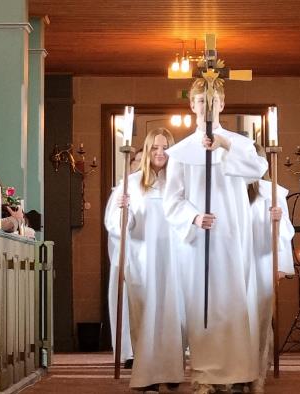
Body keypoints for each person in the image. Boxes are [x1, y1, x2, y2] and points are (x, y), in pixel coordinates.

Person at [163, 78, 268, 394]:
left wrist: (224, 145)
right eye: (199, 101)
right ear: (191, 105)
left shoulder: (239, 144)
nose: (206, 107)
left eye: (212, 101)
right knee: (203, 306)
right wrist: (194, 217)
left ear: (222, 104)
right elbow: (172, 199)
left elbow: (257, 169)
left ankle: (239, 373)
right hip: (200, 242)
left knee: (235, 302)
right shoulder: (180, 152)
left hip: (234, 237)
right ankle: (205, 376)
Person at [107, 128, 185, 393]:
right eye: (154, 148)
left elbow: (188, 219)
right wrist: (122, 208)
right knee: (143, 315)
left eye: (165, 147)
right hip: (142, 258)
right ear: (147, 150)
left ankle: (172, 369)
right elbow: (118, 227)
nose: (160, 153)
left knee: (173, 316)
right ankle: (147, 375)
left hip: (174, 260)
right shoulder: (131, 183)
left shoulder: (180, 182)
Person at [247, 143, 295, 393]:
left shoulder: (273, 192)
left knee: (261, 317)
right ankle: (238, 371)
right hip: (237, 262)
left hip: (263, 259)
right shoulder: (231, 188)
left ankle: (257, 374)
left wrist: (277, 219)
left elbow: (286, 232)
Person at [104, 187, 134, 369]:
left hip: (159, 255)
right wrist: (125, 214)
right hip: (129, 254)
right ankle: (129, 351)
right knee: (127, 304)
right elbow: (113, 224)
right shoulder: (123, 189)